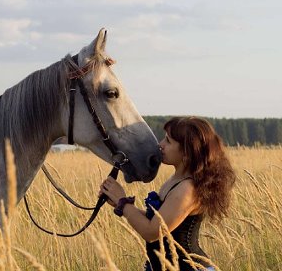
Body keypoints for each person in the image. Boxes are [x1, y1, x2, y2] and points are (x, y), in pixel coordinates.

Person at [100, 116, 235, 271]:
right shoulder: (177, 179)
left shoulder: (187, 190)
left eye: (168, 141)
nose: (160, 145)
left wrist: (123, 203)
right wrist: (119, 203)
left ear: (187, 152)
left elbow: (152, 232)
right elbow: (161, 220)